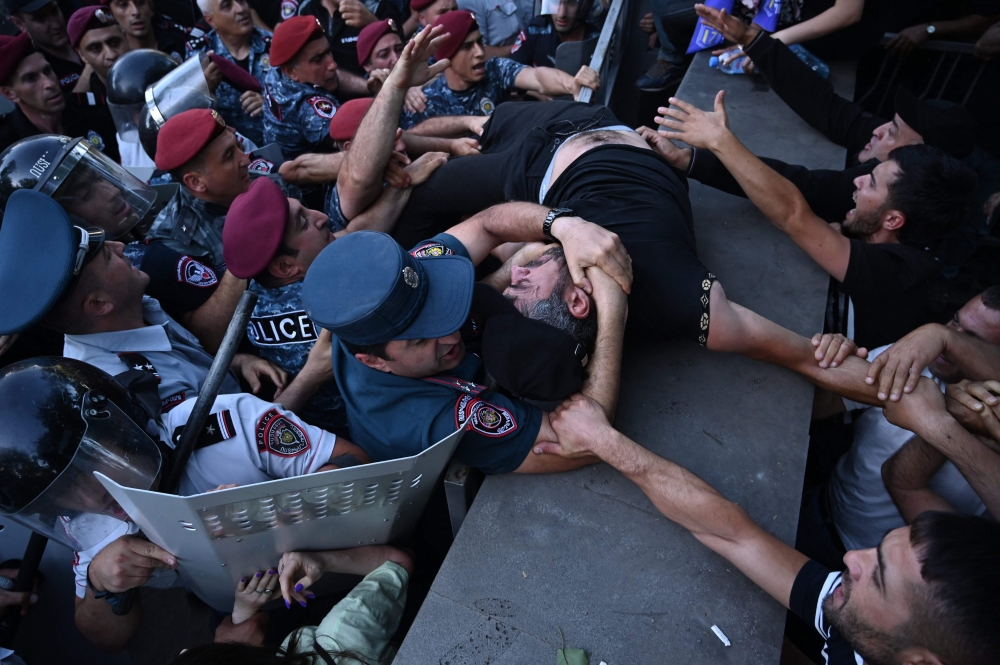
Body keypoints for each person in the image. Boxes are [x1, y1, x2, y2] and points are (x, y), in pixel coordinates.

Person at [540, 391, 1000, 665]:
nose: (848, 558)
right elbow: (733, 533)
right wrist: (605, 441)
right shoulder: (886, 633)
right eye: (874, 553)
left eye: (875, 578)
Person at [0, 352, 367, 653]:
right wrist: (103, 583)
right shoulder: (82, 521)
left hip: (342, 569)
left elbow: (358, 465)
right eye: (63, 493)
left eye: (87, 467)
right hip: (235, 609)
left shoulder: (226, 423)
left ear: (119, 427)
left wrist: (270, 510)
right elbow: (106, 638)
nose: (88, 498)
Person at [654, 93, 976, 350]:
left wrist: (720, 141)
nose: (857, 183)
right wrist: (690, 159)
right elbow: (798, 188)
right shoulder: (883, 240)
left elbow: (792, 213)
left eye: (872, 184)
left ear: (893, 220)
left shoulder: (902, 273)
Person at [796, 290, 1000, 572]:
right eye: (954, 322)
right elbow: (823, 406)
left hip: (867, 569)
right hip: (819, 506)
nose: (948, 340)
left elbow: (903, 481)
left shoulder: (993, 432)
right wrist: (833, 356)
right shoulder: (915, 358)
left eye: (972, 339)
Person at [170, 545, 413, 664]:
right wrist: (323, 561)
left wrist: (242, 615)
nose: (183, 650)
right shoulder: (340, 637)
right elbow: (398, 563)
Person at [400, 11, 600, 130]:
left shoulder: (494, 70)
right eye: (467, 47)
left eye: (480, 42)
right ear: (447, 57)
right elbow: (411, 138)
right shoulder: (425, 101)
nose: (479, 52)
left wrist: (570, 84)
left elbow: (537, 77)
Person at [146, 108, 252, 267]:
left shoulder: (253, 177)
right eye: (229, 156)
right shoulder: (177, 243)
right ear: (196, 182)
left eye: (238, 146)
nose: (246, 161)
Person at [0, 32, 120, 158]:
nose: (49, 83)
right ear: (9, 93)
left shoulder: (91, 109)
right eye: (30, 78)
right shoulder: (7, 147)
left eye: (47, 71)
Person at [187, 0, 271, 146]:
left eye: (241, 1)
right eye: (227, 6)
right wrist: (205, 90)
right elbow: (189, 116)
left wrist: (269, 105)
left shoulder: (272, 44)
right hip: (229, 153)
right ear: (210, 20)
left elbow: (299, 97)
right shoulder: (198, 54)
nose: (240, 9)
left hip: (278, 149)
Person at [262, 15, 343, 160]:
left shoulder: (275, 74)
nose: (333, 65)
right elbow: (358, 143)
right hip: (311, 179)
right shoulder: (308, 106)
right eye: (318, 59)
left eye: (328, 52)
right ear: (291, 72)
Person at [276, 0, 404, 87]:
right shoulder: (305, 8)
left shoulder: (377, 5)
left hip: (375, 93)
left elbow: (400, 53)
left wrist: (373, 24)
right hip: (323, 97)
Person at [6, 0, 84, 91]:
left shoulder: (83, 30)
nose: (56, 24)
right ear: (19, 23)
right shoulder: (31, 70)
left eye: (54, 11)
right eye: (41, 19)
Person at [510, 0, 600, 69]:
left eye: (571, 3)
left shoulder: (596, 40)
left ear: (583, 6)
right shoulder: (534, 31)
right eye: (555, 1)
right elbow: (510, 75)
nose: (562, 13)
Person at [67, 6, 130, 97]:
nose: (111, 55)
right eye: (95, 48)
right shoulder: (88, 106)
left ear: (126, 38)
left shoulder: (153, 74)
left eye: (115, 42)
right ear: (81, 55)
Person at [101, 0, 190, 59]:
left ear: (150, 5)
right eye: (123, 5)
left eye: (140, 2)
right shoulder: (111, 56)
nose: (135, 12)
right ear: (110, 14)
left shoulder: (181, 42)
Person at [456, 0, 522, 59]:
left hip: (523, 58)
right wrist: (518, 47)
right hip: (497, 67)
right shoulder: (469, 2)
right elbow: (479, 52)